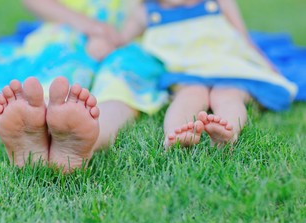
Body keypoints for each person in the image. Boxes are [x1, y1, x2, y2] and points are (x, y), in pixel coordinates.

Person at [0, 0, 169, 172]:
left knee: (122, 82)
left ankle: (74, 139)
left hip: (129, 37)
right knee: (106, 80)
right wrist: (92, 27)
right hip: (69, 29)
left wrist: (117, 38)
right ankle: (39, 127)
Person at [117, 0, 297, 147]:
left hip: (228, 65)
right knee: (190, 95)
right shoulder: (146, 12)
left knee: (228, 94)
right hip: (186, 71)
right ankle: (177, 133)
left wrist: (264, 63)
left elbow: (243, 37)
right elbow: (121, 41)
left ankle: (227, 131)